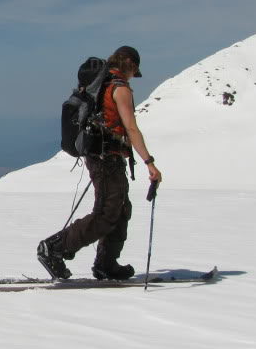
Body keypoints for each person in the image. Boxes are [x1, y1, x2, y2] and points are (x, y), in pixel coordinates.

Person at [37, 45, 163, 280]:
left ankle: (106, 264)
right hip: (105, 158)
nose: (133, 77)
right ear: (131, 66)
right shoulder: (119, 88)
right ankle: (54, 248)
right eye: (134, 72)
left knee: (120, 209)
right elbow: (131, 128)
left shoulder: (102, 84)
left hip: (101, 155)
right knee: (106, 212)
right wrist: (149, 162)